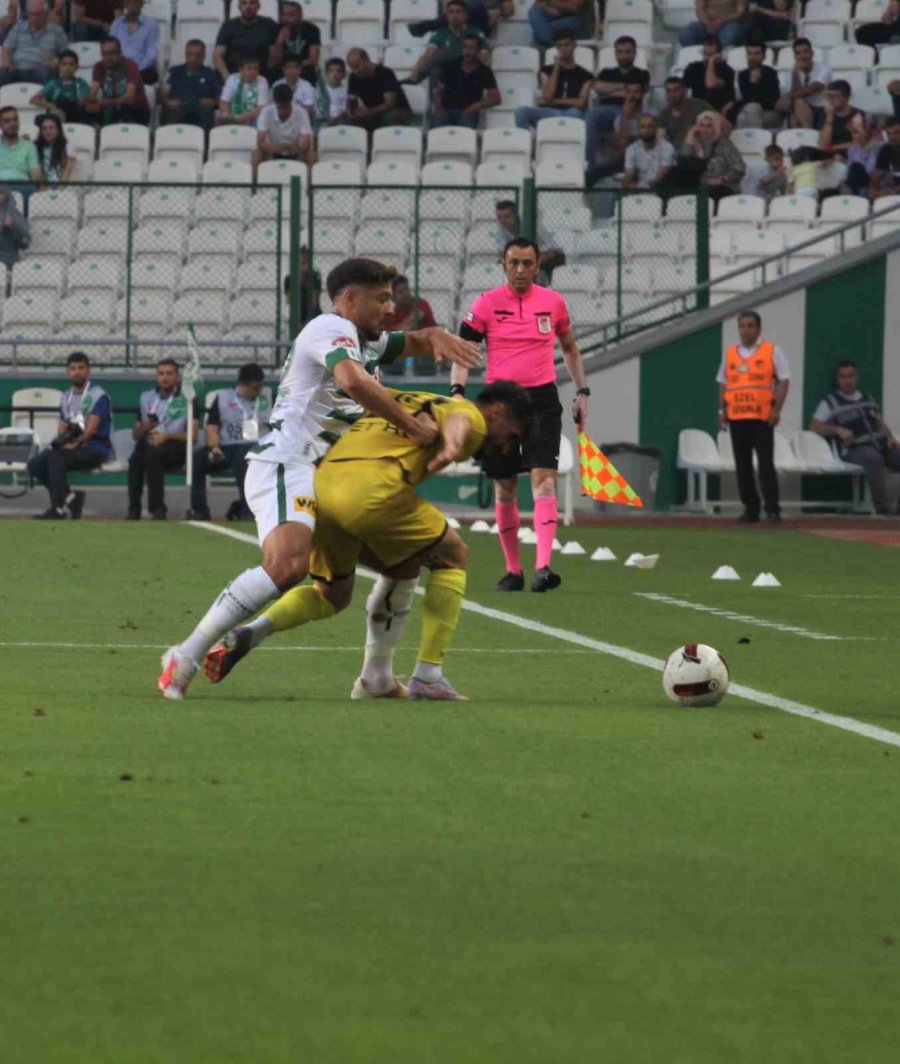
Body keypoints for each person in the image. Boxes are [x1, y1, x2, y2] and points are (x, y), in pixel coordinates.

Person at [157, 257, 480, 700]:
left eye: (391, 298)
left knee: (386, 570)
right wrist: (409, 423)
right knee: (287, 567)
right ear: (349, 299)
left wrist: (435, 337)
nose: (389, 309)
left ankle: (377, 679)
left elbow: (412, 342)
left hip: (327, 477)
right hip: (288, 463)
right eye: (380, 299)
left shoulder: (363, 340)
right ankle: (185, 654)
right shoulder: (330, 328)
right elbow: (353, 382)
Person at [204, 382, 533, 702]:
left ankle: (261, 634)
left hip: (320, 490)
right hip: (369, 492)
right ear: (498, 411)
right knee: (452, 555)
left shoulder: (402, 397)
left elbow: (355, 395)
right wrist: (453, 446)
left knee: (340, 591)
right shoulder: (473, 418)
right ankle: (429, 676)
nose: (505, 446)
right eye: (512, 435)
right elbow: (463, 423)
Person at [452, 237, 588, 593]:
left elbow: (570, 348)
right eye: (514, 263)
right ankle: (513, 571)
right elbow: (463, 350)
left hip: (542, 399)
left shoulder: (553, 303)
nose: (521, 270)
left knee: (544, 479)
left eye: (527, 263)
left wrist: (582, 391)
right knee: (505, 486)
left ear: (538, 265)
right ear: (503, 264)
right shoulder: (486, 303)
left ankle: (543, 566)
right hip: (499, 406)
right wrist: (457, 394)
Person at [716, 310, 789, 524]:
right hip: (737, 417)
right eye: (742, 326)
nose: (746, 330)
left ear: (758, 329)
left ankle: (772, 509)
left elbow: (784, 380)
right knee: (742, 465)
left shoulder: (772, 351)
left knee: (766, 463)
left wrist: (777, 410)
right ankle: (751, 508)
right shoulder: (730, 354)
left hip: (762, 417)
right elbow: (723, 383)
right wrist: (721, 411)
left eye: (750, 326)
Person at [27, 351, 112, 520]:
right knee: (35, 464)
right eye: (73, 368)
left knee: (55, 457)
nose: (77, 372)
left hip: (95, 447)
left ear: (89, 371)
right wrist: (63, 432)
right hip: (71, 447)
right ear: (68, 372)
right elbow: (61, 428)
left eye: (81, 368)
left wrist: (74, 444)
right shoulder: (66, 397)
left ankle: (57, 509)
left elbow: (91, 431)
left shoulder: (98, 395)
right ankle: (72, 499)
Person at [809, 360, 900, 516]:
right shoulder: (829, 402)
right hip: (854, 448)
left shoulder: (868, 399)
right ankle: (883, 509)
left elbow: (879, 423)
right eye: (843, 377)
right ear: (837, 379)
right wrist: (836, 429)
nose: (847, 380)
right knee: (873, 458)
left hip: (880, 443)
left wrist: (890, 437)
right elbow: (813, 426)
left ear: (856, 377)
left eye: (850, 376)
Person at [188, 363, 270, 522]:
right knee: (198, 458)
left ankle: (247, 508)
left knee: (243, 455)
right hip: (227, 447)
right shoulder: (223, 398)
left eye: (260, 387)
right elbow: (212, 427)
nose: (258, 391)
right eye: (254, 388)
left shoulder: (269, 397)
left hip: (258, 449)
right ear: (242, 385)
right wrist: (214, 448)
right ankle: (199, 510)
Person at [128, 359, 200, 521]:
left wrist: (166, 436)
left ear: (177, 377)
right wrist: (147, 426)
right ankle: (134, 507)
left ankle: (157, 508)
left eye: (169, 373)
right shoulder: (146, 398)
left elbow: (193, 436)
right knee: (137, 456)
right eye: (161, 374)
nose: (165, 378)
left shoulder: (189, 399)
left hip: (177, 448)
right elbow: (135, 434)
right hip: (149, 445)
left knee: (150, 453)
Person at [586, 36, 650, 169]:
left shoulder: (642, 73)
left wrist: (609, 90)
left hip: (633, 109)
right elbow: (598, 88)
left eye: (627, 52)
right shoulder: (606, 72)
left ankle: (641, 164)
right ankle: (590, 164)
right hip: (607, 110)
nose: (623, 56)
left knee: (651, 116)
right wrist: (624, 86)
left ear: (634, 53)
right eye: (620, 52)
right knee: (591, 116)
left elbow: (636, 92)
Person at [514, 28, 592, 130]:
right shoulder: (546, 71)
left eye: (567, 45)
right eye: (559, 46)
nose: (563, 49)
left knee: (574, 114)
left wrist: (553, 101)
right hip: (549, 112)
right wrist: (556, 67)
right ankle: (529, 142)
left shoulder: (585, 75)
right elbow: (547, 95)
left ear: (574, 45)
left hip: (572, 112)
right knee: (521, 112)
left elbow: (581, 103)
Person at [407, 0, 490, 86]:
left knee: (446, 53)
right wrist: (416, 70)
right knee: (436, 71)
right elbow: (428, 55)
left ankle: (418, 77)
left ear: (466, 16)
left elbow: (484, 58)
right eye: (451, 12)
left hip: (468, 71)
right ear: (446, 16)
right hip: (447, 74)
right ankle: (432, 95)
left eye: (459, 12)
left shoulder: (476, 33)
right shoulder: (440, 33)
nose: (455, 15)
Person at [430, 31, 499, 129]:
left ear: (478, 50)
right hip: (446, 109)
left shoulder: (485, 72)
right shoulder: (450, 66)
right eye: (465, 47)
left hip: (468, 111)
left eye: (472, 48)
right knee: (438, 121)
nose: (467, 51)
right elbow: (438, 92)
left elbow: (496, 99)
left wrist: (477, 105)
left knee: (467, 127)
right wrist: (439, 109)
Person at [678, 110, 746, 203]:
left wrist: (722, 179)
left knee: (707, 194)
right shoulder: (693, 145)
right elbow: (683, 164)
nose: (705, 129)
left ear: (716, 128)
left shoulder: (724, 144)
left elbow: (739, 168)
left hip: (723, 187)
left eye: (709, 126)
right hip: (699, 187)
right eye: (701, 125)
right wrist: (690, 138)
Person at [493, 199, 565, 282]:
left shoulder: (536, 228)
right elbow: (502, 254)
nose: (502, 221)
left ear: (515, 215)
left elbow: (549, 254)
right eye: (499, 217)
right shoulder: (501, 231)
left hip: (553, 256)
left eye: (507, 216)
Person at [160, 39, 222, 132]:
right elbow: (163, 93)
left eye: (198, 55)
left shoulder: (211, 74)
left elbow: (219, 100)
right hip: (178, 108)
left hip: (201, 110)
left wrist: (209, 102)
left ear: (204, 56)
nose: (193, 58)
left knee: (206, 112)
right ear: (185, 54)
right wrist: (168, 102)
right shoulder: (174, 71)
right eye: (190, 54)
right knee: (172, 111)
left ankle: (204, 144)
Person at [85, 35, 150, 126]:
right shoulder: (99, 66)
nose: (107, 57)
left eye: (111, 53)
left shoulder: (130, 65)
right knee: (84, 109)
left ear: (119, 53)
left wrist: (105, 102)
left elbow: (129, 98)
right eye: (104, 54)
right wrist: (90, 102)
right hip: (111, 107)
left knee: (124, 108)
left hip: (136, 110)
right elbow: (93, 90)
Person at [0, 0, 66, 86]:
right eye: (31, 14)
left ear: (46, 13)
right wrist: (6, 61)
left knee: (48, 75)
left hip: (41, 70)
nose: (34, 18)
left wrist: (53, 62)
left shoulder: (57, 32)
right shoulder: (18, 28)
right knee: (2, 74)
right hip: (17, 69)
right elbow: (6, 48)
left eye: (38, 14)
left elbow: (66, 56)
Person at [346, 48, 412, 132]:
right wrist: (351, 111)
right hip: (374, 112)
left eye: (357, 66)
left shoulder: (385, 73)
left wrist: (368, 112)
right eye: (351, 67)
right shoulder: (353, 77)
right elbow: (351, 99)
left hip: (397, 111)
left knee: (390, 117)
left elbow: (389, 104)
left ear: (366, 60)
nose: (355, 71)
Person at [214, 0, 278, 83]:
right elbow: (217, 56)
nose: (248, 7)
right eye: (244, 3)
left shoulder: (269, 25)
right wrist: (227, 77)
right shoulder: (228, 26)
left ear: (258, 6)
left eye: (252, 3)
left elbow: (273, 59)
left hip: (260, 78)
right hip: (233, 77)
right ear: (239, 7)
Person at [775, 38, 831, 131]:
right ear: (795, 56)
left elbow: (810, 90)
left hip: (820, 109)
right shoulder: (791, 73)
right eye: (798, 53)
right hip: (800, 109)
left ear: (812, 53)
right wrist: (795, 73)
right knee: (796, 104)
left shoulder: (824, 70)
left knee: (797, 101)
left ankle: (807, 134)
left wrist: (787, 96)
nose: (802, 56)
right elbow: (795, 95)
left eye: (805, 51)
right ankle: (804, 136)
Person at [254, 82, 313, 167]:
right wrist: (271, 148)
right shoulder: (266, 112)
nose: (283, 112)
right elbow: (260, 141)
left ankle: (308, 179)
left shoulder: (301, 112)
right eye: (280, 108)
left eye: (287, 108)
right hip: (272, 151)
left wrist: (296, 149)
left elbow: (307, 141)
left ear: (291, 101)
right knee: (257, 153)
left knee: (311, 154)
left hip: (295, 151)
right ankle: (254, 179)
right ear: (274, 103)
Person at [30, 48, 90, 123]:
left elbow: (80, 104)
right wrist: (53, 107)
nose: (68, 68)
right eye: (64, 64)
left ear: (76, 67)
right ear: (59, 67)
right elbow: (33, 100)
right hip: (57, 115)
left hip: (75, 115)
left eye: (71, 64)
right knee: (39, 119)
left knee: (62, 101)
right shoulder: (54, 83)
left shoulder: (81, 83)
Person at [269, 1, 320, 87]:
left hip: (305, 74)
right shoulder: (275, 30)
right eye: (284, 15)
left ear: (300, 16)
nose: (286, 18)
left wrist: (293, 67)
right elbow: (274, 61)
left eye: (291, 15)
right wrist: (279, 41)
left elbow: (313, 60)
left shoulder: (311, 29)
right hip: (281, 75)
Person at [682, 36, 735, 117]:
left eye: (711, 54)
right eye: (705, 53)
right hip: (697, 108)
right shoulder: (693, 68)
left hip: (717, 110)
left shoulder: (726, 70)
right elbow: (683, 90)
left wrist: (711, 62)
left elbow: (710, 84)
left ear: (719, 54)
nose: (707, 57)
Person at [734, 41, 781, 129]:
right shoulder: (743, 75)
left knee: (752, 108)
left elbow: (771, 101)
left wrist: (754, 85)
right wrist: (752, 83)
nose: (752, 57)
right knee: (741, 117)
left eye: (756, 54)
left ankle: (756, 141)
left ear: (763, 56)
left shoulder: (770, 73)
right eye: (750, 54)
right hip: (750, 110)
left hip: (769, 113)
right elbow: (746, 98)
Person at [109, 0, 158, 85]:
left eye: (135, 1)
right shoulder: (116, 24)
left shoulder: (151, 25)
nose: (132, 4)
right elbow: (111, 50)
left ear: (142, 3)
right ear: (124, 3)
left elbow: (151, 54)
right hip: (120, 70)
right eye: (128, 1)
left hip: (143, 71)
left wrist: (135, 70)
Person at [623, 113, 675, 189]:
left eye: (650, 126)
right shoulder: (631, 149)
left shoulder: (667, 148)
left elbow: (661, 179)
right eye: (642, 127)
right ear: (638, 129)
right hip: (639, 192)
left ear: (656, 128)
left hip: (662, 191)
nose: (646, 130)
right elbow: (628, 178)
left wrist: (639, 186)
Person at [658, 75, 708, 152]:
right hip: (675, 154)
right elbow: (660, 139)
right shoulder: (664, 114)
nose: (671, 94)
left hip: (699, 151)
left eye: (675, 90)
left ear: (685, 91)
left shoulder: (700, 105)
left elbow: (717, 123)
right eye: (668, 91)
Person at [218, 54, 269, 128]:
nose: (253, 72)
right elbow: (224, 102)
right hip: (233, 115)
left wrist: (242, 118)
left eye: (256, 68)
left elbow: (261, 108)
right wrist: (228, 116)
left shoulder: (262, 81)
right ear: (240, 69)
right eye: (249, 68)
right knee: (219, 115)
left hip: (253, 117)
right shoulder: (232, 79)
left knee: (262, 118)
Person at [678, 0, 746, 49]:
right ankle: (698, 56)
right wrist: (708, 24)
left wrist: (722, 21)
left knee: (729, 37)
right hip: (706, 23)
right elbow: (699, 10)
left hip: (728, 23)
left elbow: (740, 12)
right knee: (685, 34)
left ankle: (719, 56)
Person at [0, 106, 42, 184]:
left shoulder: (29, 147)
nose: (13, 123)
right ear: (0, 124)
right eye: (7, 121)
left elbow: (35, 173)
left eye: (15, 119)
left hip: (22, 188)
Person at [819, 80, 863, 154]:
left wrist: (833, 147)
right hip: (830, 156)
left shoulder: (858, 115)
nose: (831, 99)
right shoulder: (824, 114)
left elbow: (860, 143)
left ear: (847, 97)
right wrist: (829, 118)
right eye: (829, 96)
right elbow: (823, 145)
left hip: (853, 155)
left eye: (836, 96)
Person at [33, 110, 73, 182]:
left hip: (62, 188)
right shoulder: (35, 147)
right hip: (41, 188)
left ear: (58, 129)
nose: (47, 131)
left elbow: (68, 169)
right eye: (44, 129)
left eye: (51, 128)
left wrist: (60, 188)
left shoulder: (68, 146)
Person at [868, 117, 900, 200]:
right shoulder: (885, 150)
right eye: (889, 133)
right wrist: (891, 193)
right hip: (893, 195)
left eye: (897, 133)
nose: (892, 137)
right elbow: (872, 189)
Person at [0, 183, 28, 265]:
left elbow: (24, 241)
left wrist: (11, 227)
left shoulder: (15, 214)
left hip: (10, 254)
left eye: (0, 193)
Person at [318, 56, 349, 126]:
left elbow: (345, 110)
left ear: (344, 74)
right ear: (326, 74)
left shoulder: (346, 92)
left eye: (338, 71)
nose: (335, 74)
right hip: (324, 122)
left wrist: (336, 119)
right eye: (331, 71)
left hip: (341, 123)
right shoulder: (321, 91)